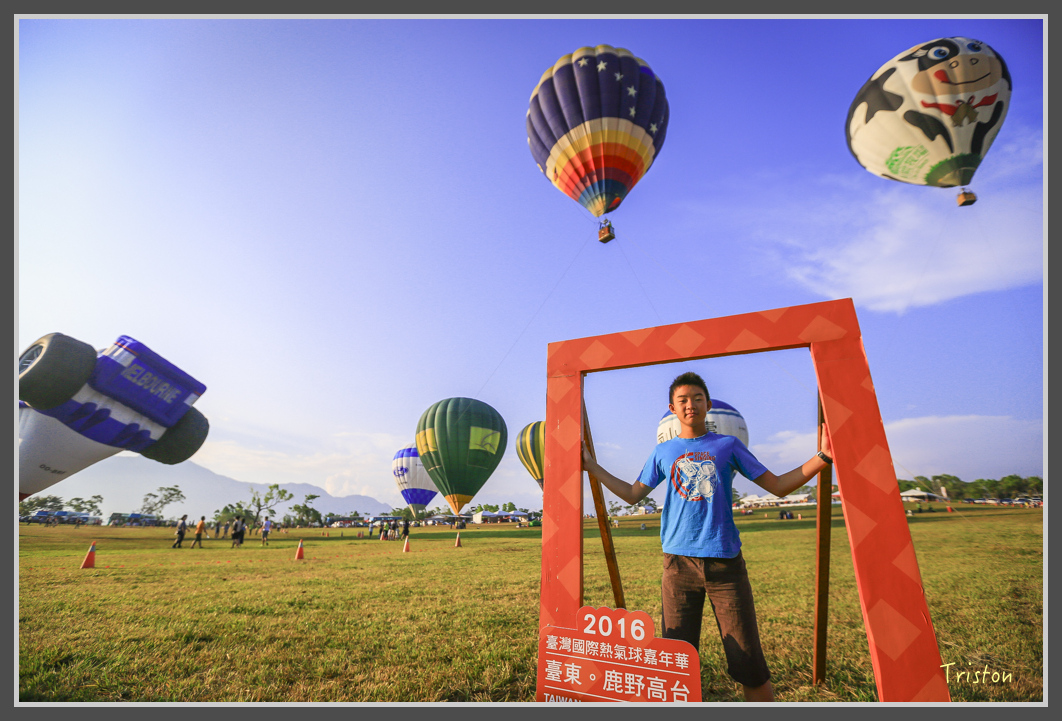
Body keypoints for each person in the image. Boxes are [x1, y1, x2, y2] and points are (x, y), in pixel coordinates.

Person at [581, 371, 833, 703]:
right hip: (678, 566)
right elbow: (631, 494)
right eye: (683, 400)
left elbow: (778, 487)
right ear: (672, 408)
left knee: (747, 659)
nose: (690, 405)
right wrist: (591, 466)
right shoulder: (663, 452)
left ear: (708, 405)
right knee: (675, 659)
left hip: (725, 565)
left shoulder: (728, 445)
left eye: (697, 399)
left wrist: (824, 457)